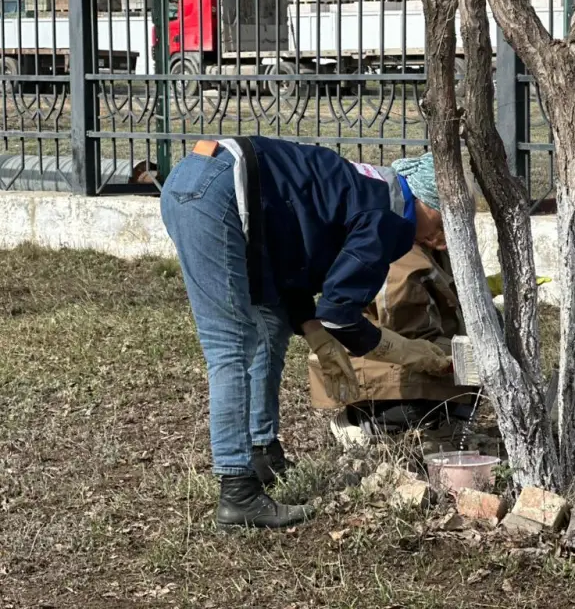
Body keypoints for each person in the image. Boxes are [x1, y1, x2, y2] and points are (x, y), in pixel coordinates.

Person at [160, 137, 451, 530]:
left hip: (205, 180)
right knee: (230, 346)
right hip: (219, 194)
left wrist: (313, 330)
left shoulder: (365, 191)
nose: (442, 236)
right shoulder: (391, 217)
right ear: (425, 202)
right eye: (444, 220)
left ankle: (263, 452)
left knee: (272, 324)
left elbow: (291, 261)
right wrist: (412, 353)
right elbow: (342, 316)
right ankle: (237, 492)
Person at [307, 239, 479, 446]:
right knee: (465, 367)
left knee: (469, 367)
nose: (444, 221)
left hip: (390, 354)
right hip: (374, 361)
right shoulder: (402, 258)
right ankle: (364, 423)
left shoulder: (432, 248)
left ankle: (441, 423)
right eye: (438, 210)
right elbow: (407, 334)